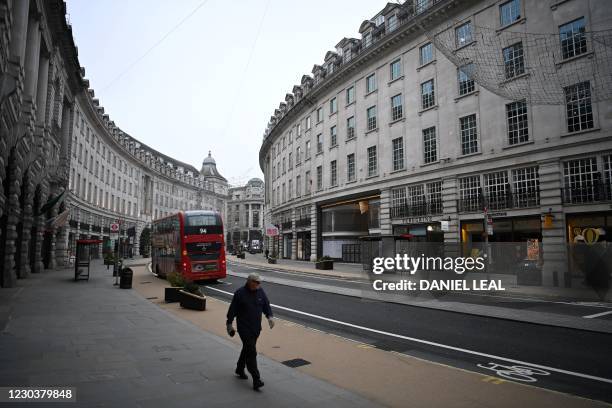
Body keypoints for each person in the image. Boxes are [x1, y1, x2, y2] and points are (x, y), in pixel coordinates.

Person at [226, 272, 274, 390]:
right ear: (250, 282)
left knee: (247, 349)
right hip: (244, 328)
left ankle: (239, 368)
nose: (259, 284)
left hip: (256, 328)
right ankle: (256, 379)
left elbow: (266, 305)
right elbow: (233, 309)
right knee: (252, 352)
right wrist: (229, 324)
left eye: (260, 282)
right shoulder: (240, 293)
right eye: (257, 282)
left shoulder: (260, 291)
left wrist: (270, 317)